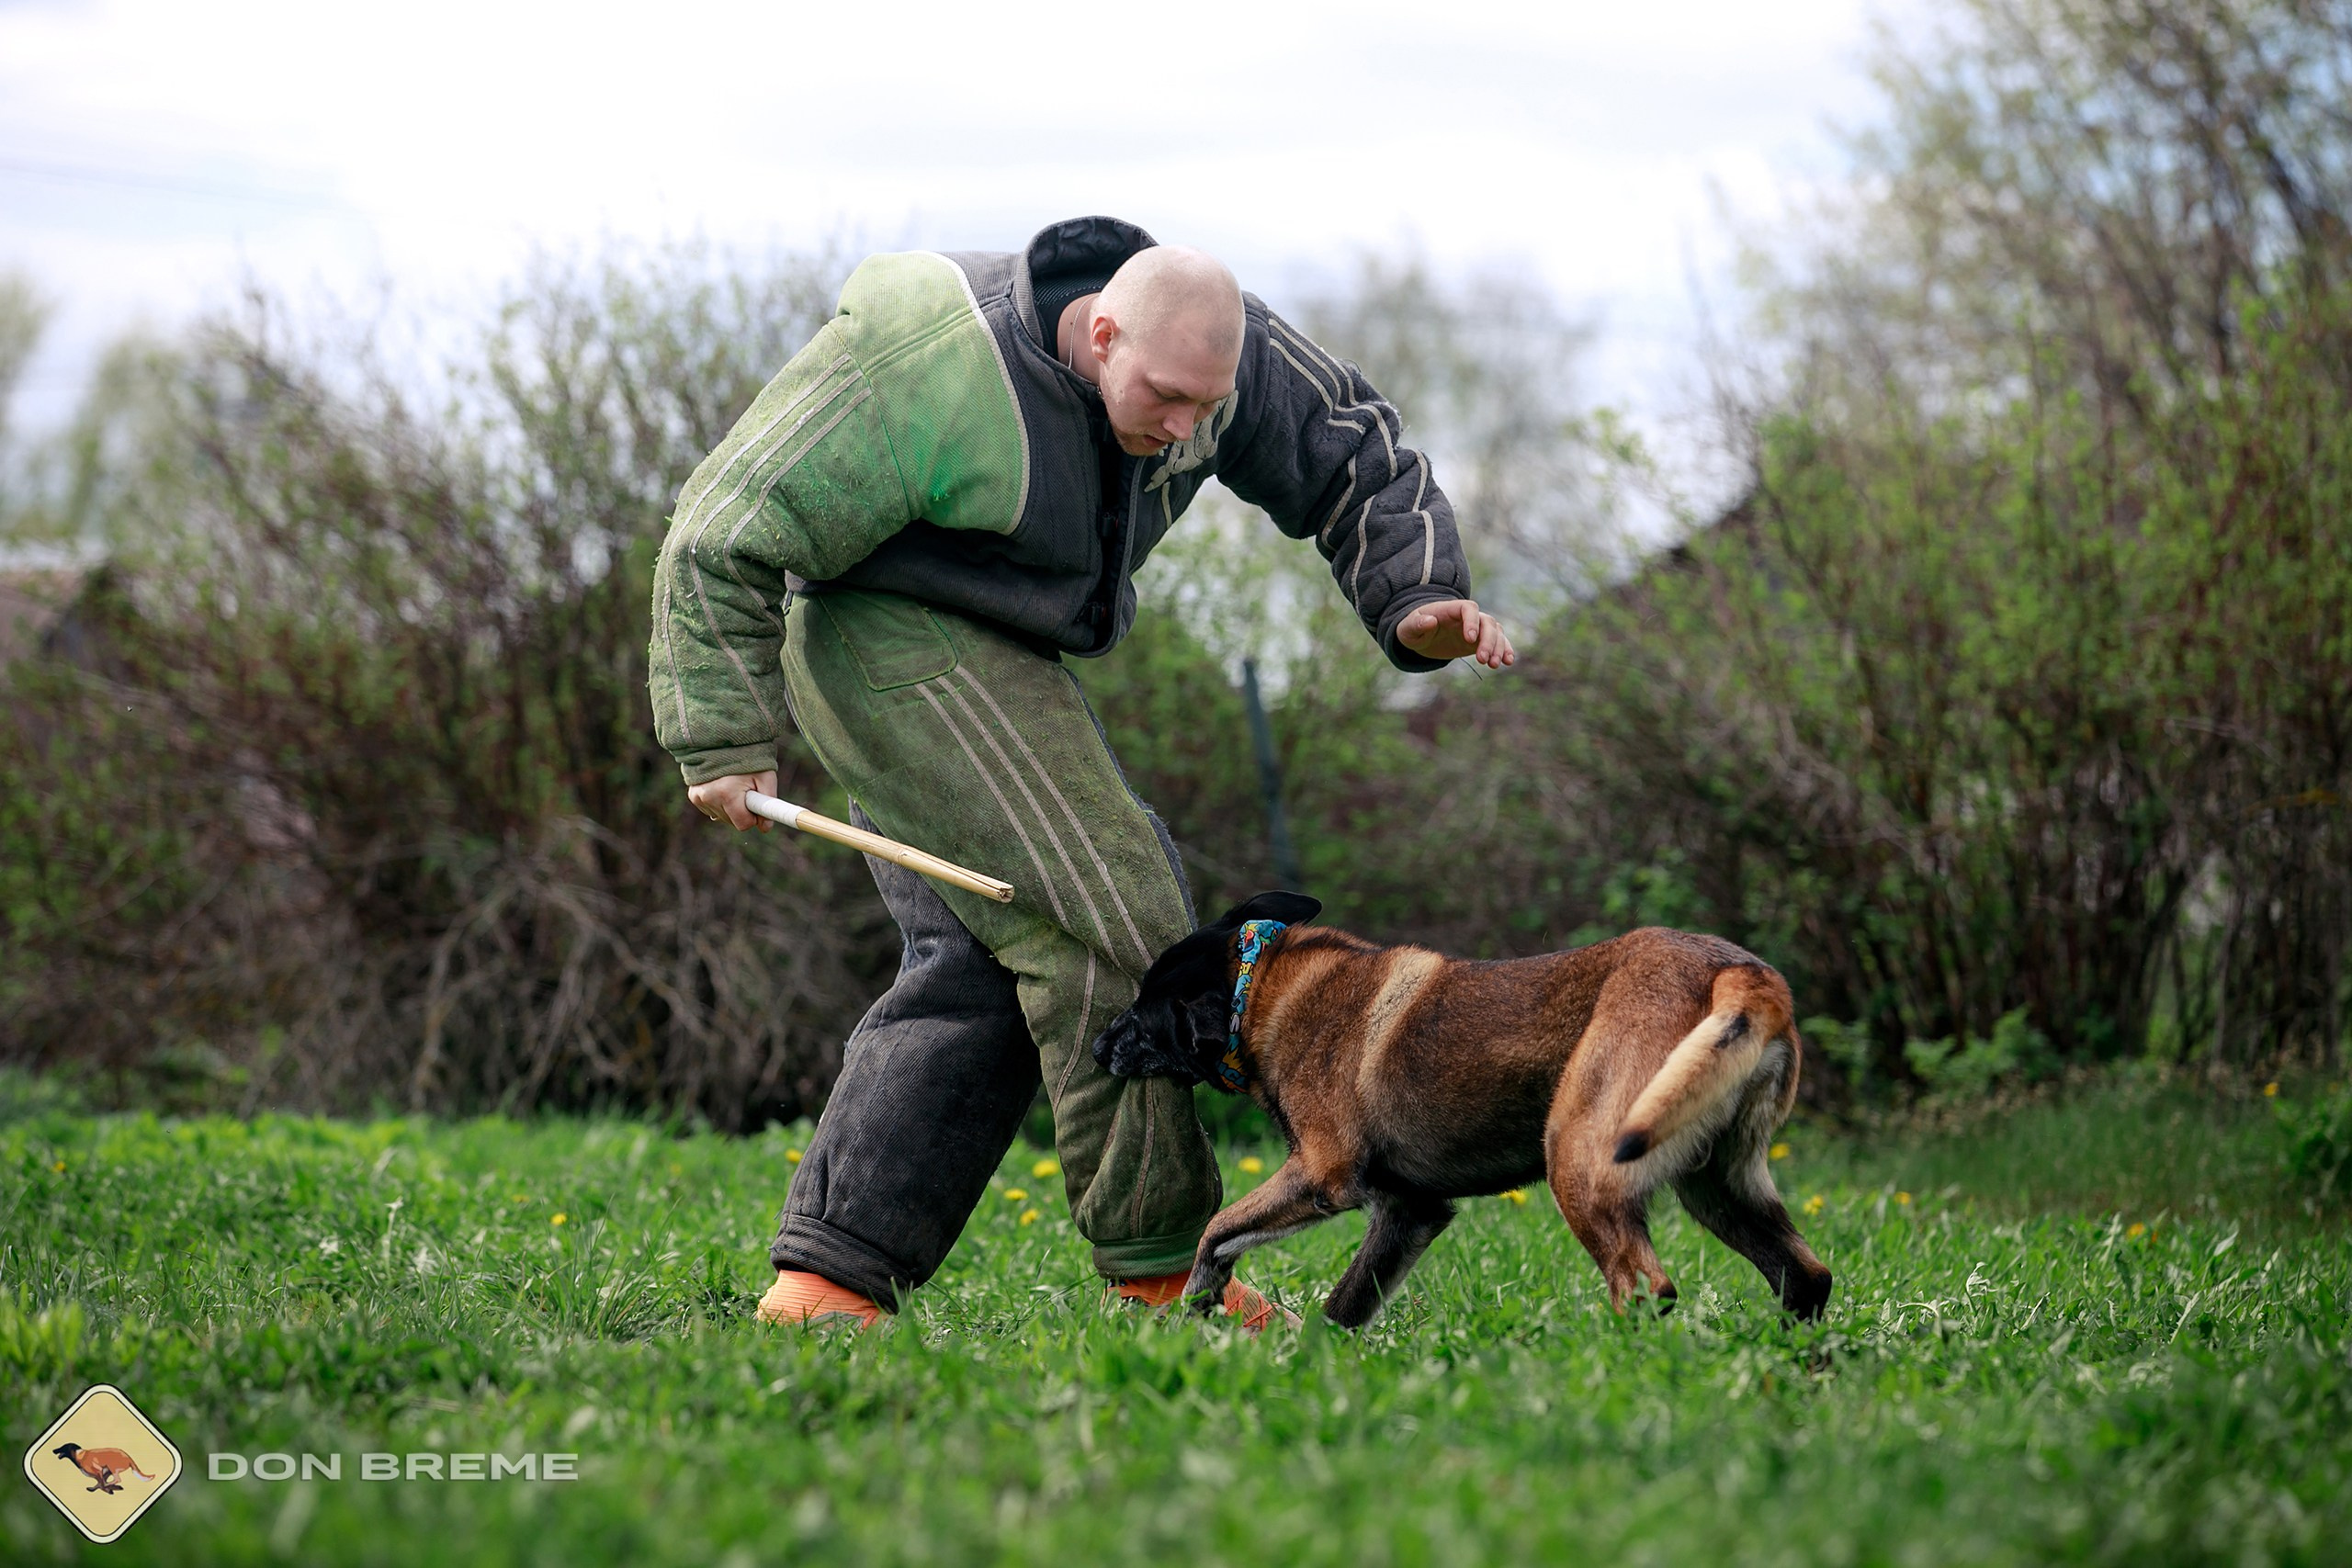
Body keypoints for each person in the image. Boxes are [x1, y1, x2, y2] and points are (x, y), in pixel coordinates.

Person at [649, 216, 1513, 1331]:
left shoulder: (1213, 356)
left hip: (1012, 655)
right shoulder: (926, 358)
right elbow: (721, 530)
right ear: (1101, 331)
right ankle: (1165, 1271)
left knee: (986, 954)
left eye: (1206, 407)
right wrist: (718, 736)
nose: (1186, 426)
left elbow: (1355, 448)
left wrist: (1416, 599)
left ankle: (830, 1283)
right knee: (1119, 911)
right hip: (883, 637)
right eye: (1164, 398)